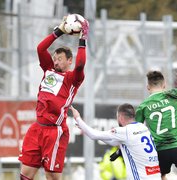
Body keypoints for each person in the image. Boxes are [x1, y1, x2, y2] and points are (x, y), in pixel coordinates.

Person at [18, 15, 89, 180]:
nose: (55, 62)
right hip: (37, 128)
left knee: (52, 176)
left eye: (60, 59)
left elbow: (80, 64)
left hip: (55, 132)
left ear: (69, 61)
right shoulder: (48, 69)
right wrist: (58, 31)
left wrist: (83, 38)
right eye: (55, 58)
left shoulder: (73, 79)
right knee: (25, 174)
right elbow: (40, 49)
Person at [71, 103, 162, 180]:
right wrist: (86, 129)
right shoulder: (143, 128)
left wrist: (78, 118)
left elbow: (93, 135)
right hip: (156, 176)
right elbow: (114, 142)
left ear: (120, 117)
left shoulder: (124, 131)